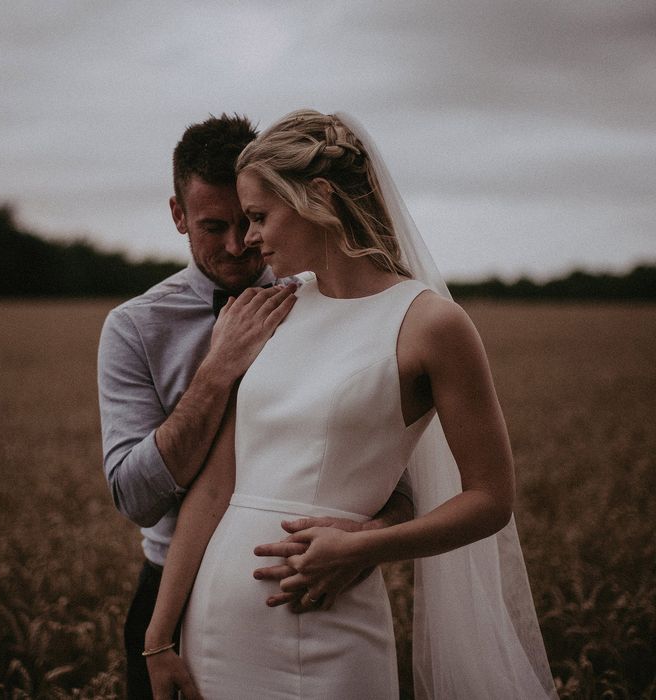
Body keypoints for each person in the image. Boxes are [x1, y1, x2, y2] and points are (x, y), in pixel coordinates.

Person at [143, 109, 557, 699]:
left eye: (260, 216)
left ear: (318, 198)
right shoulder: (272, 309)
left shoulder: (431, 323)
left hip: (334, 619)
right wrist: (160, 637)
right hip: (216, 626)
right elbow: (214, 487)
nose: (249, 239)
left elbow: (490, 499)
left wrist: (363, 546)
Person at [97, 114, 415, 699]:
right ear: (177, 215)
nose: (237, 243)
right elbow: (136, 498)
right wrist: (216, 372)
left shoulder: (324, 301)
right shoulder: (135, 328)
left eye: (251, 220)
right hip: (172, 587)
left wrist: (361, 542)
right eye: (212, 226)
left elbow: (405, 484)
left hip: (312, 587)